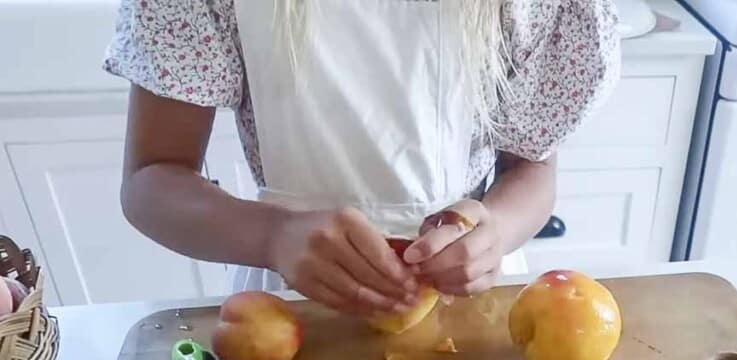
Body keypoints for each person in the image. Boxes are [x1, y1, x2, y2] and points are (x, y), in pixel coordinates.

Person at [105, 0, 620, 316]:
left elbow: (531, 166)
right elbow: (153, 179)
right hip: (289, 301)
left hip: (470, 292)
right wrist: (274, 235)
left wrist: (498, 232)